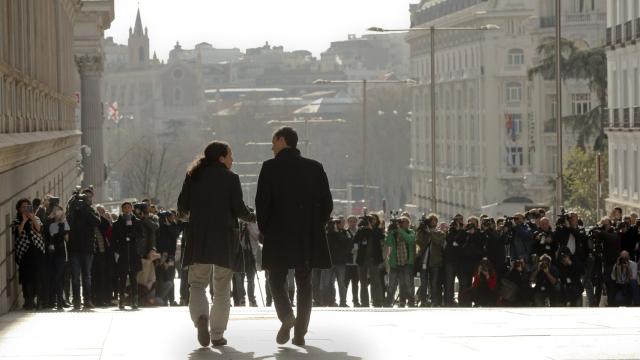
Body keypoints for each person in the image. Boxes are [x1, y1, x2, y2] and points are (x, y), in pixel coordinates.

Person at [255, 127, 333, 347]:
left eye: (273, 141)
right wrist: (315, 225)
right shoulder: (314, 167)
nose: (271, 146)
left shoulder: (270, 168)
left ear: (282, 140)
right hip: (306, 235)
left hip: (278, 235)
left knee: (276, 279)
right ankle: (300, 332)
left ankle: (287, 316)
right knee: (304, 282)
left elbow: (262, 203)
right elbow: (327, 203)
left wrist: (266, 229)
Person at [178, 141, 255, 347]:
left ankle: (200, 319)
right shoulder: (231, 178)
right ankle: (217, 334)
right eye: (230, 155)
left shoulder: (193, 176)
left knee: (197, 285)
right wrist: (252, 217)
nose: (232, 159)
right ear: (221, 158)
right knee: (222, 289)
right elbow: (239, 210)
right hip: (224, 239)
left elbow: (182, 206)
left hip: (199, 237)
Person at [67, 188, 101, 310]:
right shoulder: (72, 211)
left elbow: (97, 222)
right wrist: (74, 208)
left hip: (87, 249)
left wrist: (85, 210)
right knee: (75, 277)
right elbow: (68, 222)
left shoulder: (90, 210)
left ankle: (87, 300)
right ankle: (76, 301)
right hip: (74, 248)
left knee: (87, 276)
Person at [12, 199, 45, 310]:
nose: (25, 208)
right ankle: (29, 301)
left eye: (27, 206)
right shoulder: (17, 221)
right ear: (19, 209)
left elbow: (39, 229)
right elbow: (18, 232)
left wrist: (32, 218)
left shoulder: (36, 218)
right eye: (23, 207)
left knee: (38, 277)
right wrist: (24, 220)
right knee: (27, 278)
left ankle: (39, 301)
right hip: (24, 253)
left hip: (37, 251)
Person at [112, 202, 143, 310]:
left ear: (132, 209)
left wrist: (132, 231)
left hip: (134, 254)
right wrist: (117, 251)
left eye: (129, 208)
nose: (127, 209)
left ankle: (134, 300)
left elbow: (140, 236)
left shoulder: (137, 222)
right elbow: (114, 239)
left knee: (134, 278)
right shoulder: (117, 223)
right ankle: (122, 300)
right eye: (125, 208)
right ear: (122, 209)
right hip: (123, 254)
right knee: (122, 279)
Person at [384, 216, 416, 308]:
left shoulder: (411, 232)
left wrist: (400, 229)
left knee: (406, 284)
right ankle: (389, 302)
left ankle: (409, 301)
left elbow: (409, 240)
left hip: (407, 263)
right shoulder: (393, 233)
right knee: (392, 284)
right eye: (402, 222)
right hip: (395, 262)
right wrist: (391, 230)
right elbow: (388, 243)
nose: (403, 224)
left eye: (405, 222)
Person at [43, 204, 70, 310]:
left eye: (59, 211)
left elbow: (67, 239)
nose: (57, 213)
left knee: (59, 277)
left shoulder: (64, 223)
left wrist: (62, 223)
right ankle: (51, 301)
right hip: (49, 253)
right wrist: (50, 218)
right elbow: (45, 232)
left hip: (60, 253)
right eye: (55, 211)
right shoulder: (48, 222)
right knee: (52, 277)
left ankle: (59, 301)